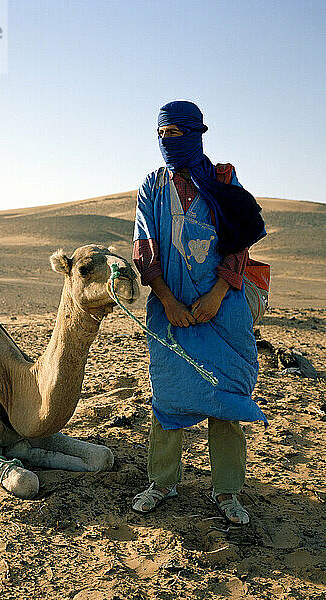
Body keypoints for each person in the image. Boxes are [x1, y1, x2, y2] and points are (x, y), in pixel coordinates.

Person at [131, 100, 267, 525]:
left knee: (226, 395)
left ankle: (226, 492)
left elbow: (238, 241)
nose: (168, 142)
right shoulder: (152, 186)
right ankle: (162, 482)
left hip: (223, 309)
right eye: (162, 134)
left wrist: (218, 295)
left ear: (196, 133)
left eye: (176, 134)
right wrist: (168, 300)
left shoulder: (224, 180)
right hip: (170, 309)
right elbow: (145, 248)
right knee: (169, 395)